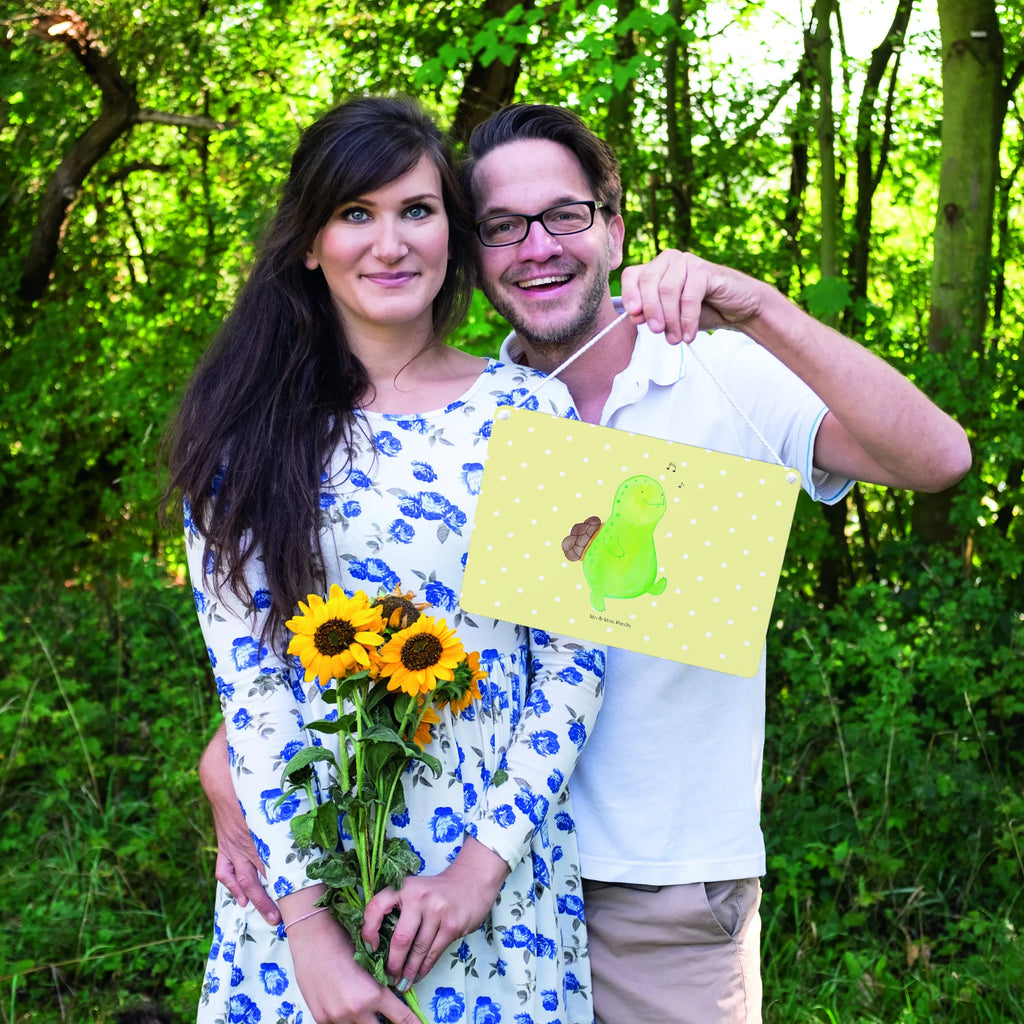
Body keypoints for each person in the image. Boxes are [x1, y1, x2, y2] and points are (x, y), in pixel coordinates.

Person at [202, 102, 972, 1024]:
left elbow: (938, 461)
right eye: (501, 227)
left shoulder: (712, 372)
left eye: (565, 215)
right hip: (437, 877)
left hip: (656, 887)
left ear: (612, 225)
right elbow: (336, 633)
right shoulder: (465, 414)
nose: (537, 247)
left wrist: (760, 307)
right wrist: (234, 768)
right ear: (474, 251)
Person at [165, 97, 608, 1024]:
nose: (390, 242)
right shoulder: (242, 438)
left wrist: (477, 873)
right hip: (303, 888)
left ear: (452, 228)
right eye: (355, 214)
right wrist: (312, 937)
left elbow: (573, 664)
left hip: (492, 888)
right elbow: (253, 693)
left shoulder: (534, 413)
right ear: (308, 243)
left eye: (416, 210)